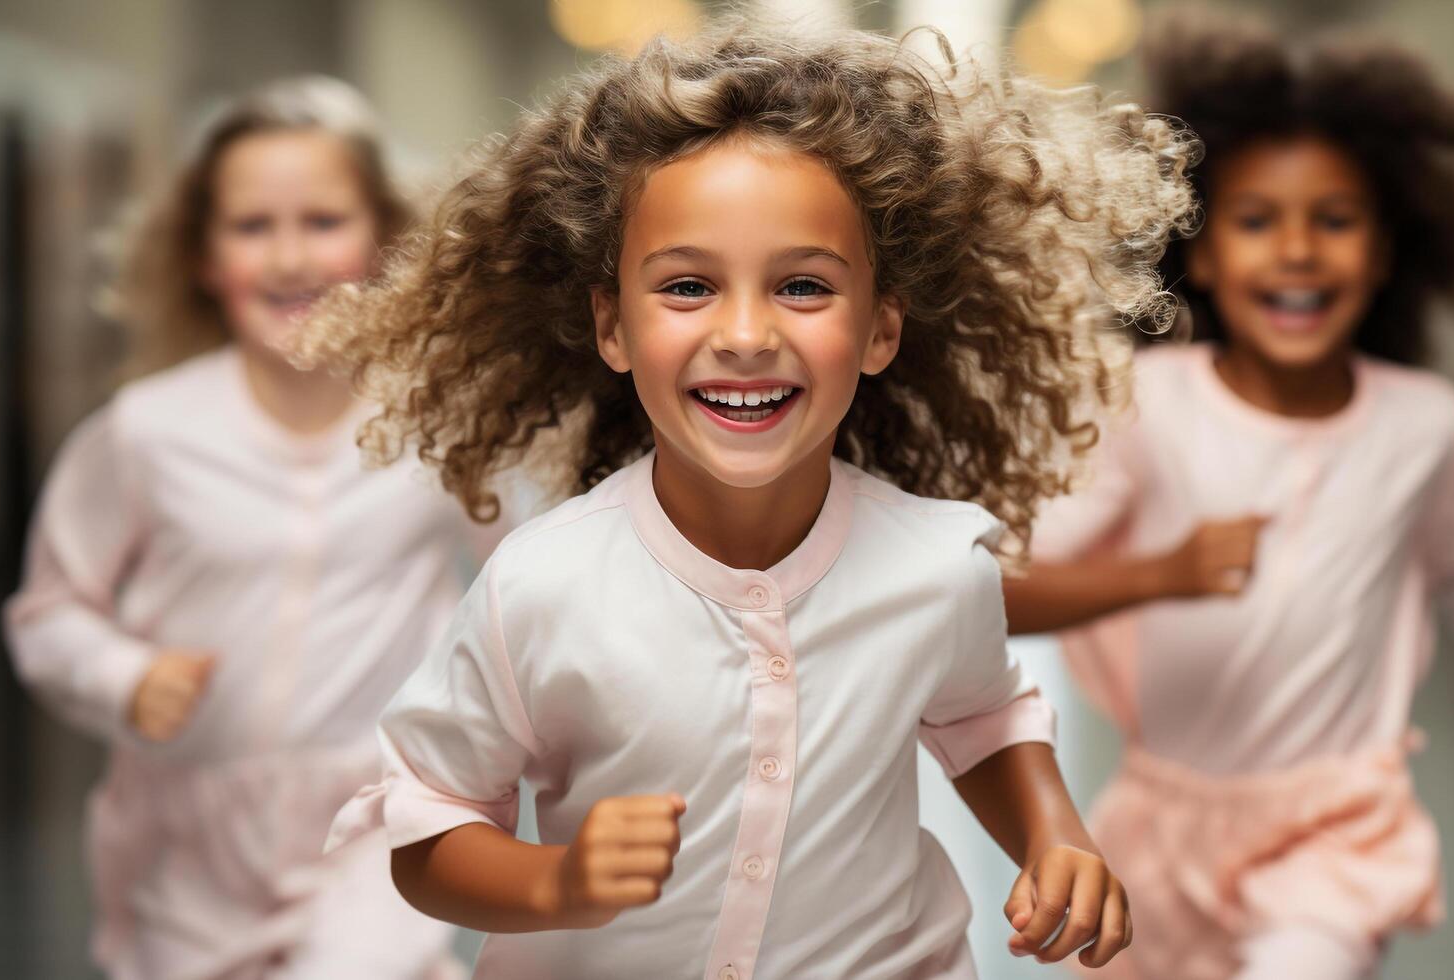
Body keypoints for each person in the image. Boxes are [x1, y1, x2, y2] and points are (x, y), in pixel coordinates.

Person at [311, 21, 1195, 978]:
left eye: (803, 286)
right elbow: (430, 824)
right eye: (688, 285)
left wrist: (1056, 836)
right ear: (612, 327)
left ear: (879, 330)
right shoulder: (540, 584)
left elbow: (981, 715)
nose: (744, 333)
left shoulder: (938, 565)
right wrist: (554, 884)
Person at [1005, 11, 1454, 979]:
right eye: (1254, 221)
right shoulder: (1146, 404)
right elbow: (1001, 585)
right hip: (1162, 818)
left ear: (1380, 253)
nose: (1294, 249)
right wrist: (1159, 573)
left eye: (1332, 220)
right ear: (1196, 254)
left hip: (1335, 823)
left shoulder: (1424, 424)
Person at [4, 76, 516, 979]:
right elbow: (48, 614)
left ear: (383, 243)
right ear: (204, 257)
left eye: (323, 222)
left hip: (376, 809)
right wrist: (124, 677)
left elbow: (533, 579)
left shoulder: (437, 421)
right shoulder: (146, 432)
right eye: (252, 227)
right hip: (185, 839)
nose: (289, 259)